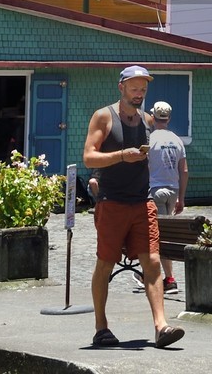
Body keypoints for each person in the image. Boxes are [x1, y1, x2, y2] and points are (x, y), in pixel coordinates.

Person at [83, 65, 184, 350]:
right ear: (122, 88)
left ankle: (161, 326)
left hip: (142, 201)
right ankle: (101, 327)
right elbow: (89, 157)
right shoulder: (104, 116)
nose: (139, 93)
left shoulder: (149, 121)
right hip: (112, 202)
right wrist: (120, 157)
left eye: (143, 89)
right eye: (134, 88)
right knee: (105, 264)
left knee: (152, 263)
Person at [147, 100, 187, 295]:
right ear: (169, 118)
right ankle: (156, 274)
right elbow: (184, 170)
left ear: (153, 117)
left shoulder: (149, 139)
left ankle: (168, 278)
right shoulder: (177, 140)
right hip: (173, 190)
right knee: (165, 233)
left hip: (155, 190)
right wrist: (182, 197)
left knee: (158, 236)